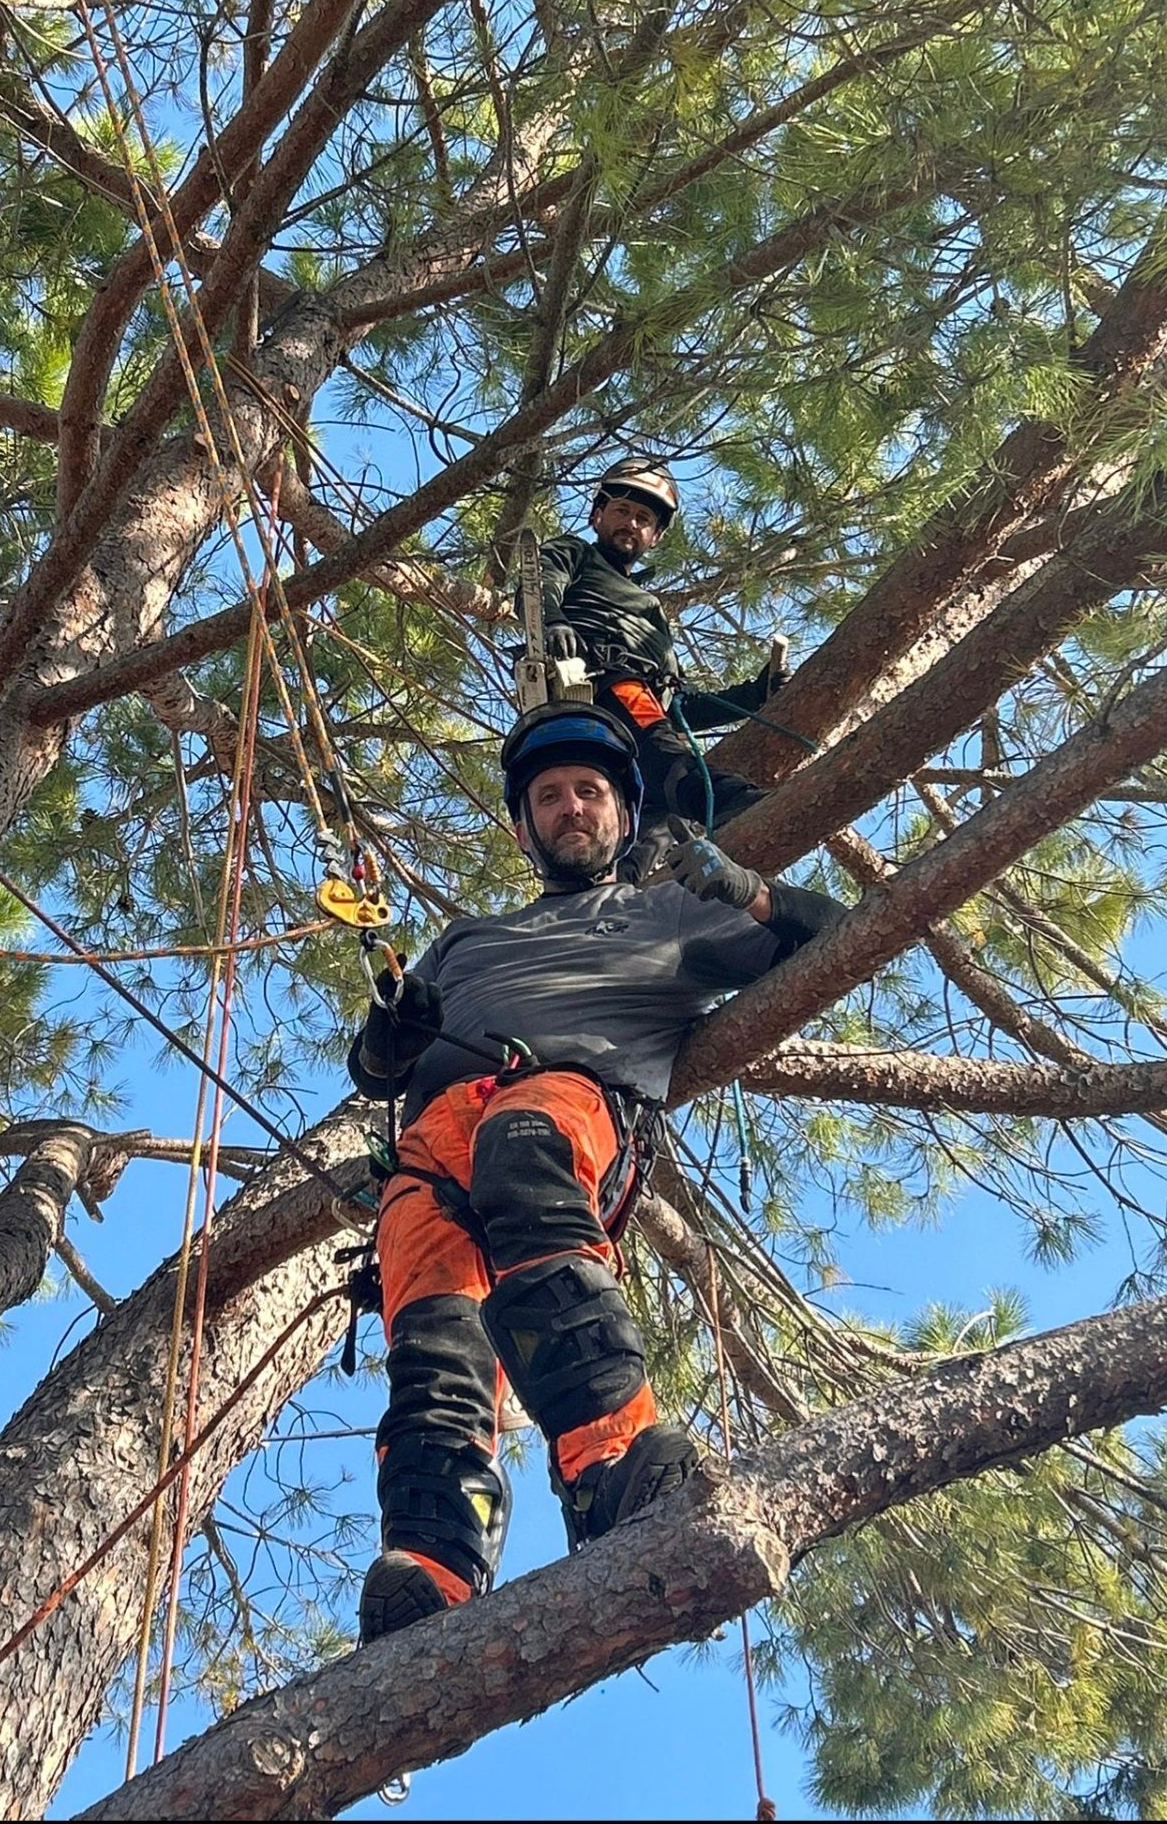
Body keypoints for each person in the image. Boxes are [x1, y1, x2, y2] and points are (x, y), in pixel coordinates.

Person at [348, 703, 845, 1640]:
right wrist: (390, 1032)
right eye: (548, 797)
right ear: (524, 825)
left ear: (620, 812)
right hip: (435, 1131)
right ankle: (432, 1565)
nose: (570, 807)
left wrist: (749, 892)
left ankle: (612, 1468)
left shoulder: (673, 911)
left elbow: (845, 938)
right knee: (433, 1335)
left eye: (588, 792)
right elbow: (375, 1068)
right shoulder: (463, 940)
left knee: (523, 1153)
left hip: (563, 1092)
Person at [518, 456, 786, 855]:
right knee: (668, 759)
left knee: (650, 818)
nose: (631, 523)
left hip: (638, 706)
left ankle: (619, 886)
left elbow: (679, 707)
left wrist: (754, 695)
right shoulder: (578, 554)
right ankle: (733, 802)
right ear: (597, 516)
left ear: (655, 536)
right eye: (622, 511)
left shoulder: (652, 612)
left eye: (643, 518)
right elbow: (539, 585)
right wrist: (555, 622)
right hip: (601, 684)